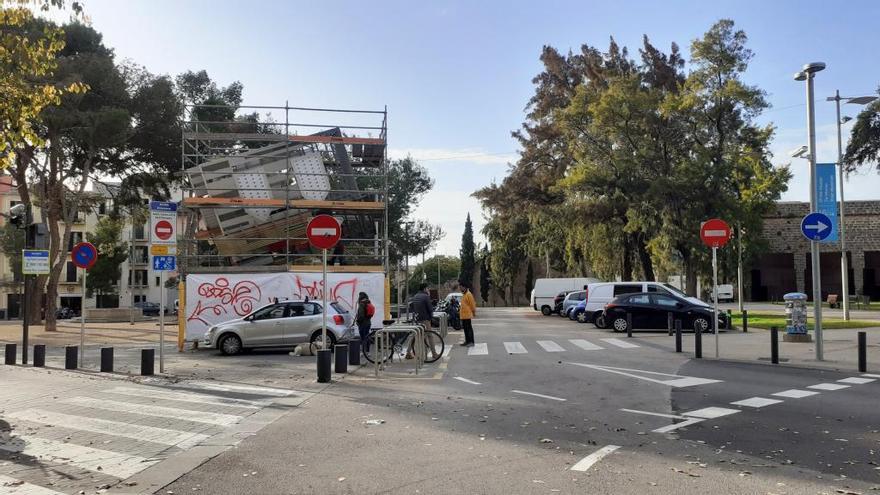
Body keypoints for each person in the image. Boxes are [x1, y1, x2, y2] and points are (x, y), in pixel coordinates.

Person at [408, 283, 439, 360]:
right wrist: (431, 318)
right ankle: (434, 353)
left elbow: (412, 307)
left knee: (414, 336)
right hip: (425, 319)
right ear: (425, 289)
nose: (428, 290)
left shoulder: (415, 296)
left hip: (417, 319)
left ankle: (408, 353)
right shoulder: (426, 297)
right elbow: (430, 309)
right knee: (430, 336)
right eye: (428, 289)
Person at [459, 282, 477, 347]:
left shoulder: (469, 294)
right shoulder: (464, 294)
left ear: (464, 287)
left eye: (461, 287)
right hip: (463, 316)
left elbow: (472, 304)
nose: (460, 288)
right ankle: (467, 341)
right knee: (466, 329)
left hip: (467, 315)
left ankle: (471, 342)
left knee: (469, 329)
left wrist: (474, 312)